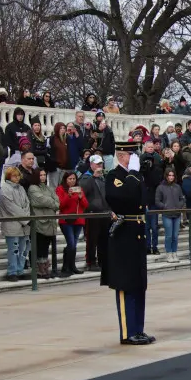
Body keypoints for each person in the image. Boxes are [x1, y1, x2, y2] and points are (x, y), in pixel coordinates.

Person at [100, 141, 154, 344]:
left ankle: (138, 329)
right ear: (121, 156)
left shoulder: (135, 175)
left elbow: (142, 199)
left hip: (137, 233)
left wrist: (135, 174)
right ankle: (127, 332)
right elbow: (124, 198)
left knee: (139, 284)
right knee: (125, 284)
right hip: (124, 236)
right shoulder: (115, 177)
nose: (134, 158)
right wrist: (132, 174)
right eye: (131, 154)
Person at [0, 166, 31, 282]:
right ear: (8, 177)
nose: (17, 178)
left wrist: (27, 216)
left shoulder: (21, 188)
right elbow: (11, 208)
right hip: (12, 224)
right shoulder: (4, 190)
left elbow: (27, 203)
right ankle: (12, 271)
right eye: (14, 176)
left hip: (24, 224)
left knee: (24, 249)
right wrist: (25, 219)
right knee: (14, 249)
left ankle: (20, 270)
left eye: (18, 176)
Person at [28, 170, 59, 279]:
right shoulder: (33, 188)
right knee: (39, 246)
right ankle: (39, 269)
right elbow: (40, 200)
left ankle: (45, 268)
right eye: (41, 175)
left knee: (46, 246)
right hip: (39, 222)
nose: (43, 177)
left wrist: (52, 202)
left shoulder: (48, 188)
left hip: (50, 222)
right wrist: (52, 202)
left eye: (44, 175)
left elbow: (57, 201)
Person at [56, 171, 88, 277]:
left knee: (73, 243)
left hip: (78, 220)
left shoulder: (79, 189)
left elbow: (85, 205)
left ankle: (71, 266)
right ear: (65, 179)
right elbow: (60, 205)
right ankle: (66, 267)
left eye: (74, 179)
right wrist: (68, 196)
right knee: (71, 243)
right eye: (70, 179)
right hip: (66, 220)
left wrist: (80, 197)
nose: (72, 181)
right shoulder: (60, 189)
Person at [79, 155, 108, 271]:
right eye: (97, 164)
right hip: (92, 213)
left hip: (104, 211)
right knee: (92, 238)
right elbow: (83, 190)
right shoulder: (86, 177)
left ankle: (102, 260)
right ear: (91, 165)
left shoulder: (103, 178)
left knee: (103, 238)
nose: (99, 166)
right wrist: (93, 177)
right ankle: (90, 261)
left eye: (101, 163)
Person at [139, 140, 164, 255]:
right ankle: (147, 246)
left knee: (154, 226)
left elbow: (158, 178)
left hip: (154, 197)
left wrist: (153, 168)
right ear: (145, 148)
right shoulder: (141, 159)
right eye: (148, 147)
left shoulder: (158, 160)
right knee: (146, 226)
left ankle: (155, 246)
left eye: (151, 147)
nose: (150, 148)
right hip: (145, 198)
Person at [155, 168, 186, 261]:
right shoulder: (160, 187)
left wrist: (179, 206)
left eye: (173, 175)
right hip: (167, 214)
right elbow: (157, 201)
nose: (171, 177)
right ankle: (168, 253)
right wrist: (165, 206)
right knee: (169, 235)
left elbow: (182, 198)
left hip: (177, 214)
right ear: (166, 176)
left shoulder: (177, 187)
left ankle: (174, 253)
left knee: (175, 236)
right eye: (169, 175)